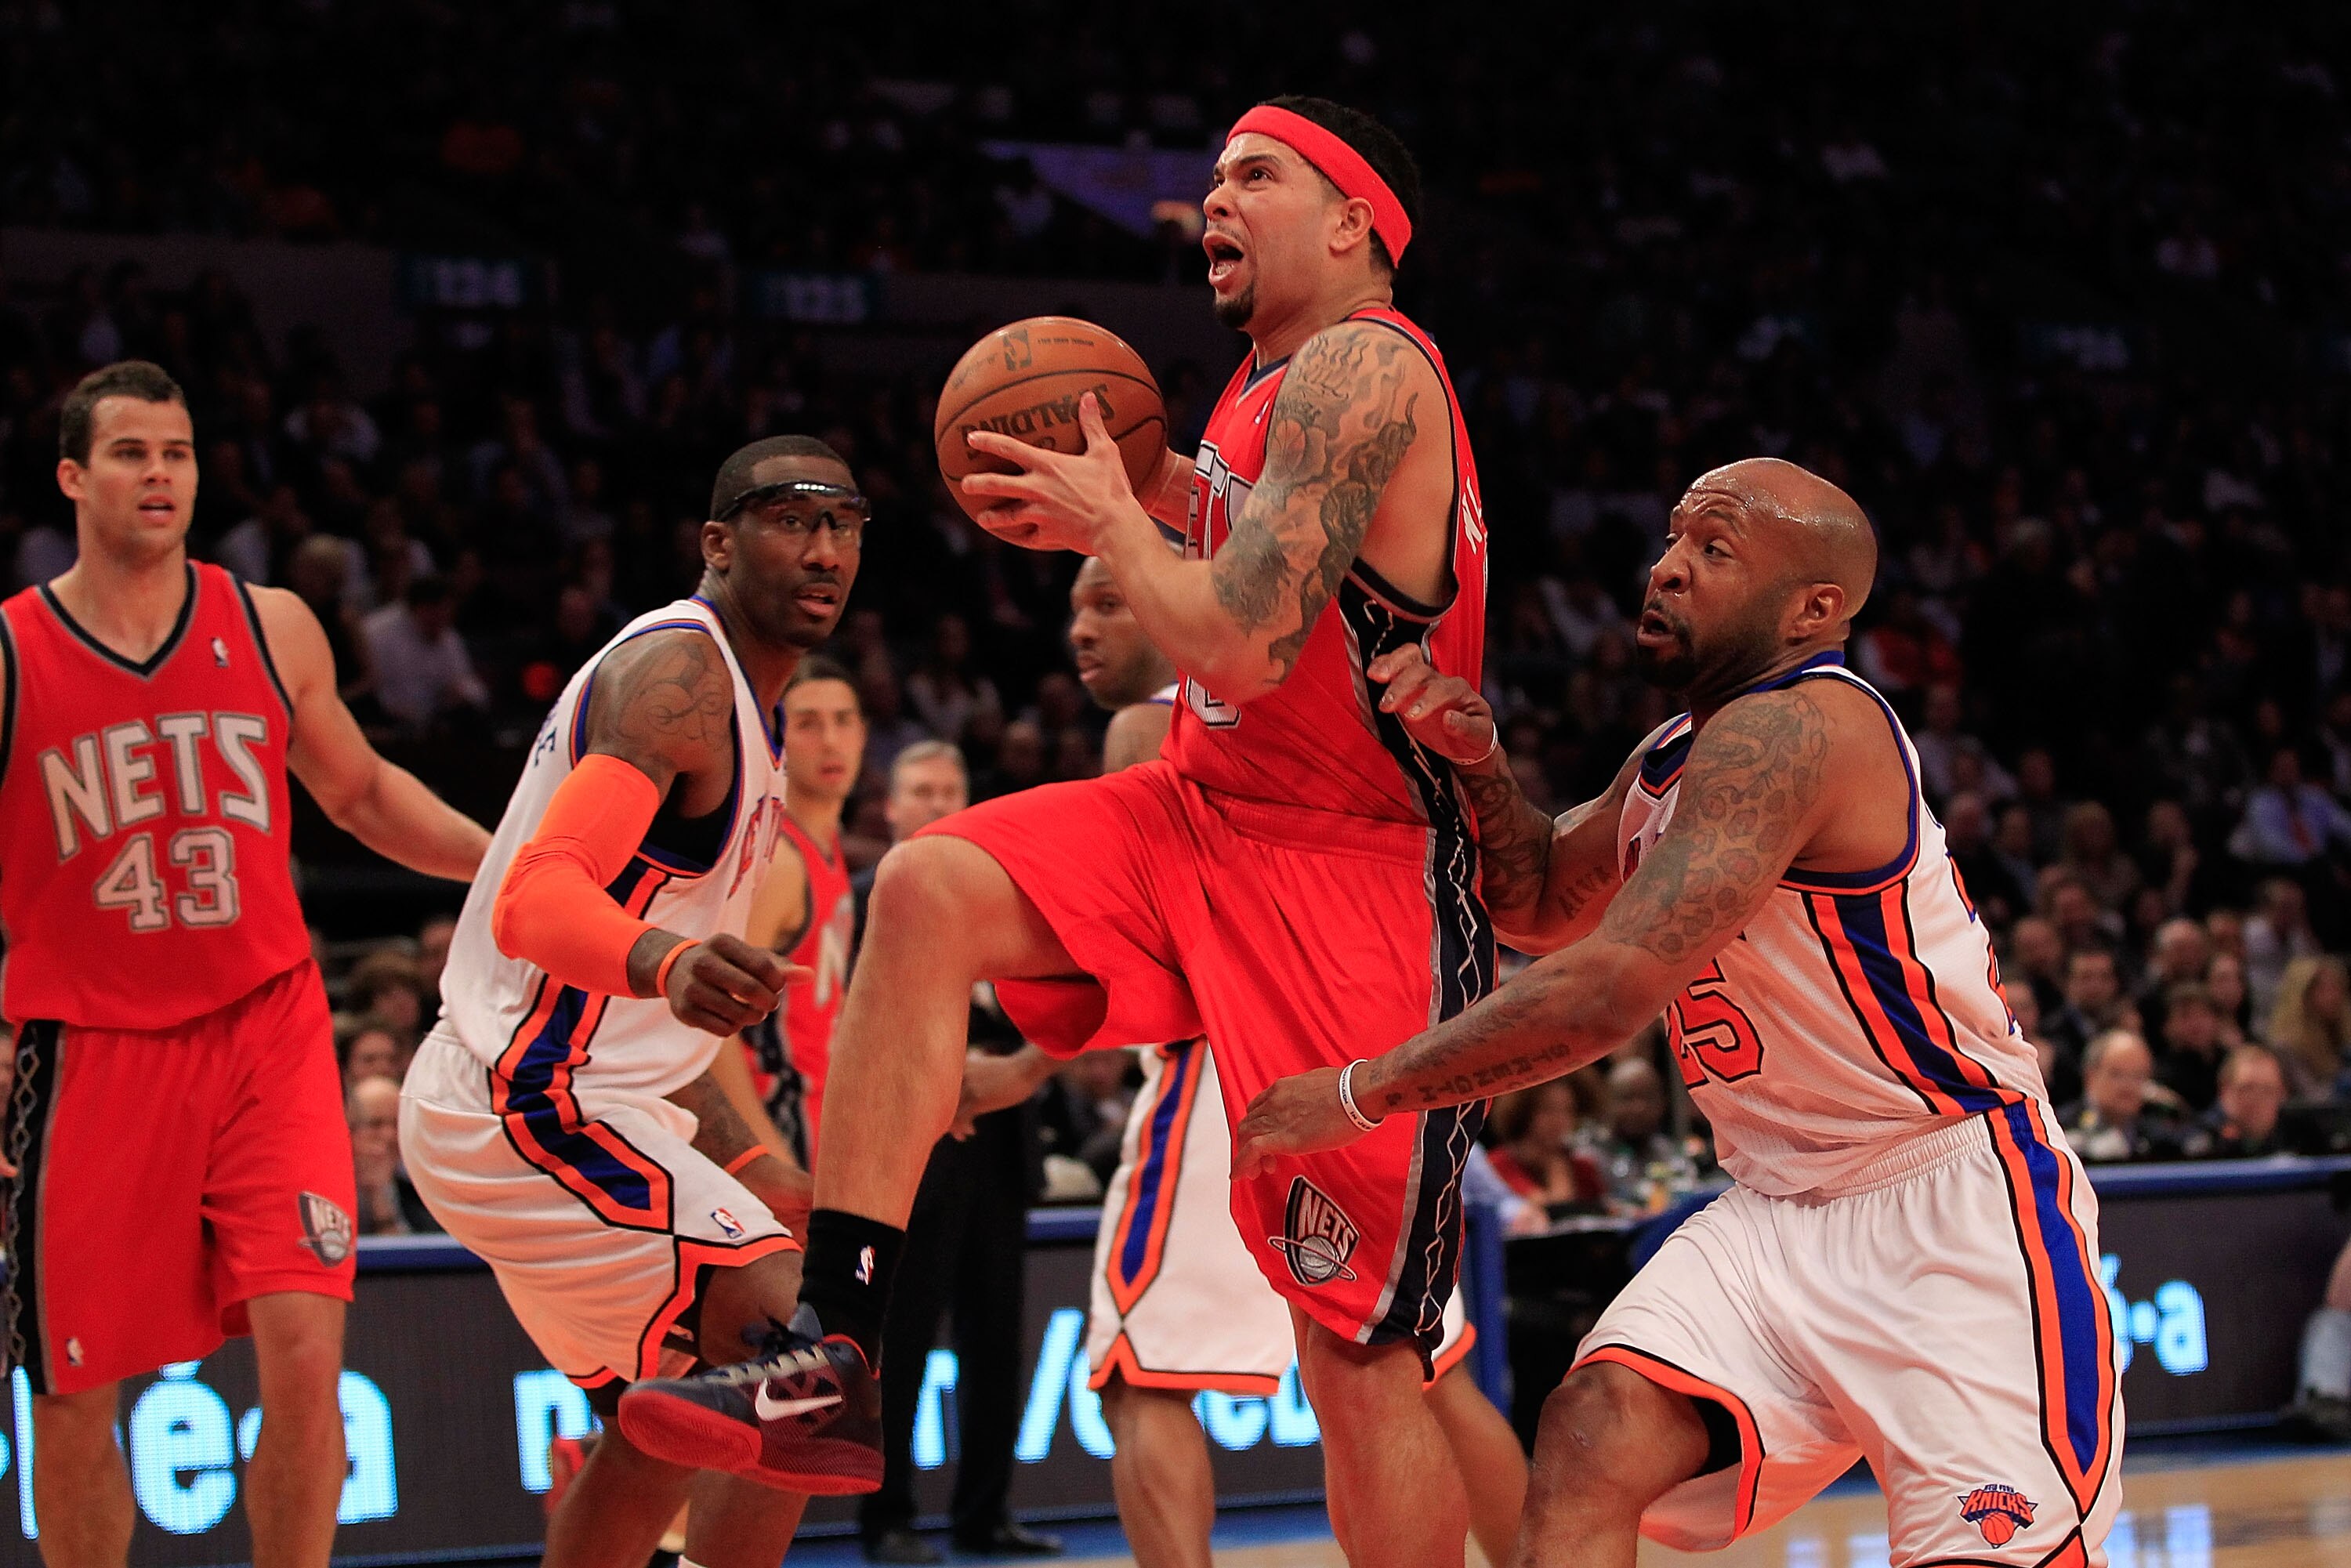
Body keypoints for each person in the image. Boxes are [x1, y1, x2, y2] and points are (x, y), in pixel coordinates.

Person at [625, 96, 1498, 1566]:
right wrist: (1134, 483)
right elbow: (1224, 566)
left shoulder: (1366, 365)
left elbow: (1235, 647)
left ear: (1353, 220)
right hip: (1205, 815)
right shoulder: (1251, 390)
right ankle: (832, 1345)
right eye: (1214, 176)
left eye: (1256, 176)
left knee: (1357, 1361)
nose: (1215, 200)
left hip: (1354, 875)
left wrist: (1118, 521)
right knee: (931, 883)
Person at [1234, 458, 2122, 1567]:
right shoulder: (1674, 758)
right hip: (1777, 1208)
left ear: (1815, 608)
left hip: (1952, 1205)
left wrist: (1365, 1093)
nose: (1665, 569)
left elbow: (1606, 988)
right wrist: (1483, 763)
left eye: (1714, 550)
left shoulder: (1803, 729)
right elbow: (1542, 905)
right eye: (1671, 541)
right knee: (1596, 1430)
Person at [0, 360, 489, 1568]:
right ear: (73, 476)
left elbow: (363, 790)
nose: (158, 473)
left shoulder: (268, 624)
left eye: (176, 451)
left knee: (309, 1354)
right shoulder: (11, 656)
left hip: (268, 1031)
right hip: (89, 1051)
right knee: (72, 1395)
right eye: (128, 453)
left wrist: (510, 868)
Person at [952, 557, 1527, 1568]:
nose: (1080, 628)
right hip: (1374, 1060)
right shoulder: (1318, 703)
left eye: (1108, 599)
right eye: (1074, 606)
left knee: (1142, 1375)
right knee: (1424, 1372)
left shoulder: (1152, 729)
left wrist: (1022, 1067)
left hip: (1236, 1077)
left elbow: (1124, 958)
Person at [397, 434, 863, 1568]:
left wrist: (763, 1167)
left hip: (597, 1100)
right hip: (524, 1100)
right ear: (717, 541)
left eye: (844, 524)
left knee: (691, 1415)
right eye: (788, 520)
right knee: (802, 1346)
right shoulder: (682, 679)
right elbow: (533, 900)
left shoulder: (753, 714)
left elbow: (666, 1033)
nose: (822, 549)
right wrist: (667, 959)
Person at [849, 741, 1060, 1564]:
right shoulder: (863, 901)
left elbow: (1047, 1005)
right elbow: (847, 1026)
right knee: (899, 1346)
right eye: (920, 790)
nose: (937, 802)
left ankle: (985, 1514)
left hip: (999, 1145)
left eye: (949, 789)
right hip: (910, 1149)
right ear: (891, 809)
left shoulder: (1002, 897)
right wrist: (933, 1082)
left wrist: (1003, 1075)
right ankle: (887, 1517)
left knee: (996, 1344)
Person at [739, 655, 867, 1164]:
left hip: (820, 1122)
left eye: (843, 720)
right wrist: (767, 1157)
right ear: (777, 735)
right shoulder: (781, 863)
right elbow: (710, 1038)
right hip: (776, 1126)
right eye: (809, 723)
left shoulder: (827, 848)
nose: (831, 740)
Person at [2061, 1030, 2186, 1163]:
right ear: (2090, 1077)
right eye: (2117, 1074)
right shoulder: (2061, 1128)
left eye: (2138, 1076)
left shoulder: (2158, 1132)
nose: (2128, 1086)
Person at [1485, 1083, 1607, 1211]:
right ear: (1523, 1112)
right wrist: (1557, 1169)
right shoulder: (1497, 1164)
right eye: (1548, 1110)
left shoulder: (1582, 1167)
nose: (1559, 1120)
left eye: (1568, 1110)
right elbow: (1550, 1209)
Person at [2183, 1045, 2287, 1159]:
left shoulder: (2294, 1142)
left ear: (2282, 1094)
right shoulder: (2197, 1142)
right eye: (2247, 1089)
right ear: (2224, 1090)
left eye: (2267, 1090)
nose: (2257, 1099)